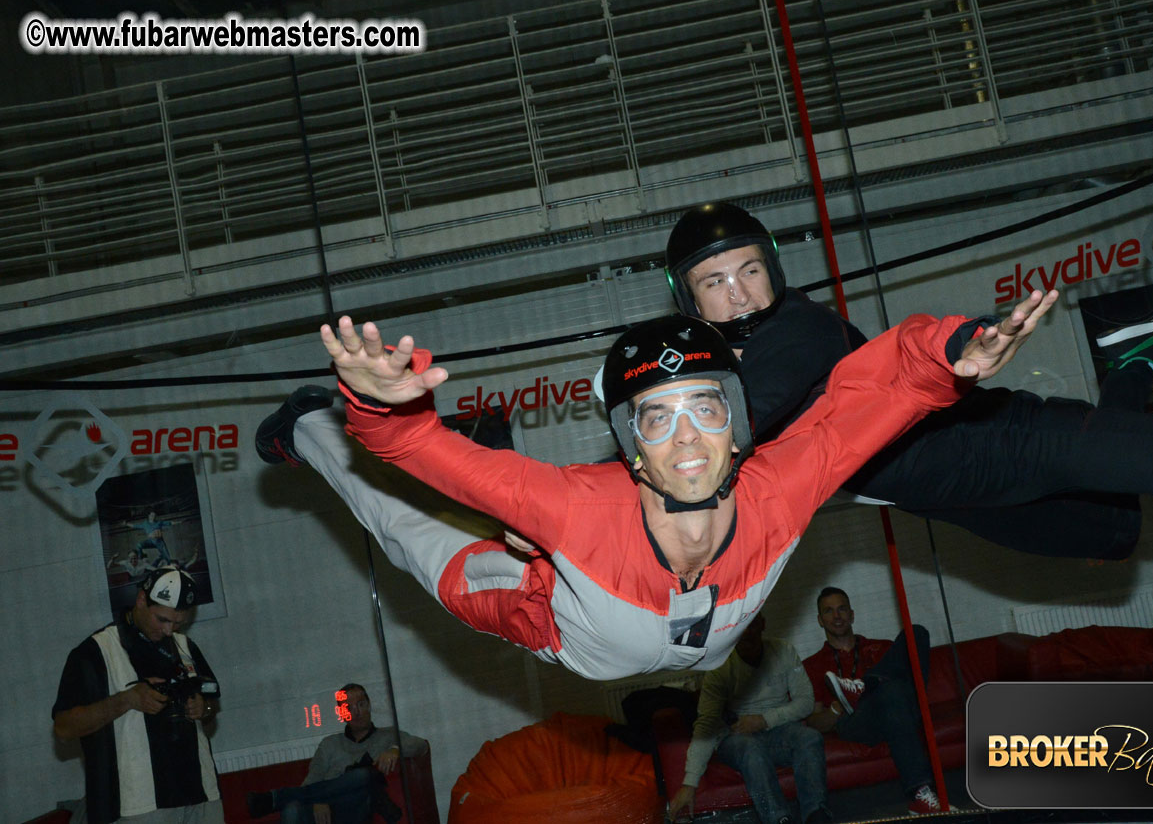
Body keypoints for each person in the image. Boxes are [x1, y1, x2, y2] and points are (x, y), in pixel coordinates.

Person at [256, 292, 1052, 681]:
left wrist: (956, 350)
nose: (687, 438)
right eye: (656, 419)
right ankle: (307, 427)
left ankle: (507, 496)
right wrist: (375, 404)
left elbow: (873, 397)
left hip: (714, 635)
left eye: (705, 409)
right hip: (578, 632)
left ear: (737, 425)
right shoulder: (577, 503)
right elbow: (408, 447)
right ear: (630, 450)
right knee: (410, 536)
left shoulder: (779, 485)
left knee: (517, 517)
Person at [664, 201, 1153, 559]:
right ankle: (1135, 360)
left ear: (774, 270)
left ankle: (1137, 360)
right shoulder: (722, 373)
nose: (739, 290)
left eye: (749, 269)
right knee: (1115, 532)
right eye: (715, 282)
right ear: (690, 301)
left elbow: (744, 419)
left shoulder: (801, 328)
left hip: (1006, 443)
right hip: (946, 496)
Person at [52, 567, 222, 824]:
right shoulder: (96, 652)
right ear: (141, 600)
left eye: (178, 623)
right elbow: (63, 728)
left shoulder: (185, 647)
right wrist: (126, 700)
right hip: (135, 806)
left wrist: (204, 708)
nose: (169, 631)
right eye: (162, 619)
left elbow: (211, 707)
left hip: (201, 795)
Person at [670, 615, 833, 824]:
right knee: (751, 749)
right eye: (741, 630)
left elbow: (805, 702)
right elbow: (706, 724)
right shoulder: (719, 668)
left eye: (752, 626)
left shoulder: (783, 651)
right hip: (735, 737)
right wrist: (689, 783)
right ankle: (778, 819)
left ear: (762, 625)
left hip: (777, 730)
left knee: (809, 737)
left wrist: (763, 720)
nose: (747, 633)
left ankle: (816, 815)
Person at [802, 587, 939, 816]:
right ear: (820, 620)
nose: (837, 616)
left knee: (917, 633)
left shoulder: (883, 648)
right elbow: (815, 722)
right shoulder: (813, 665)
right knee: (890, 690)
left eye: (842, 609)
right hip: (857, 722)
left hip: (901, 710)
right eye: (829, 611)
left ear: (852, 614)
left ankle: (864, 686)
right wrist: (837, 707)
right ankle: (919, 792)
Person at [245, 683, 428, 823]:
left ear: (369, 706)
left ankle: (274, 798)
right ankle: (280, 799)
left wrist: (395, 749)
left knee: (363, 776)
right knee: (291, 810)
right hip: (328, 810)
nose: (357, 712)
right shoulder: (329, 744)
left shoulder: (388, 735)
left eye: (361, 704)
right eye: (349, 708)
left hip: (358, 806)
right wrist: (318, 800)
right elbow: (312, 779)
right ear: (342, 714)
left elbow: (421, 745)